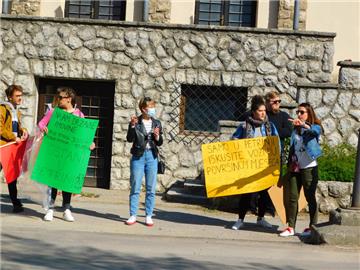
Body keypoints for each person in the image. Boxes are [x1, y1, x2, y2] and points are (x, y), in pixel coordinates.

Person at [38, 87, 95, 222]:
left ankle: (67, 209)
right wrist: (43, 128)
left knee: (67, 180)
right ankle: (50, 209)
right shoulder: (54, 112)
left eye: (61, 97)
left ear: (69, 99)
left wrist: (90, 143)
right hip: (56, 151)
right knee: (53, 180)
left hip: (71, 153)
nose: (58, 99)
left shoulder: (79, 114)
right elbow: (41, 123)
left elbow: (84, 133)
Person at [231, 95, 279, 230]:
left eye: (264, 110)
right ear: (253, 112)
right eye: (260, 110)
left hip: (264, 167)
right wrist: (238, 143)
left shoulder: (270, 126)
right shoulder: (245, 126)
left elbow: (276, 144)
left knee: (264, 193)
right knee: (246, 193)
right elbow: (234, 140)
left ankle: (261, 218)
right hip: (249, 167)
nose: (263, 113)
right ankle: (240, 219)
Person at [279, 103, 322, 237]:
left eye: (302, 112)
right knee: (292, 197)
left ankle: (312, 227)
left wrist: (304, 125)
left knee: (310, 197)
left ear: (309, 114)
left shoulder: (314, 127)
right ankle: (290, 227)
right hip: (295, 167)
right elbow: (293, 147)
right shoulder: (295, 130)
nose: (299, 114)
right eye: (297, 112)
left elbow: (315, 131)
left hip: (309, 168)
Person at [126, 97, 163, 227]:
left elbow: (160, 142)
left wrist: (157, 135)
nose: (153, 109)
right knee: (135, 186)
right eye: (150, 107)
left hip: (151, 156)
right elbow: (129, 139)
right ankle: (133, 215)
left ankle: (148, 215)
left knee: (151, 188)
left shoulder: (157, 123)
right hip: (138, 156)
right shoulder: (136, 121)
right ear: (143, 109)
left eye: (153, 106)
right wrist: (132, 126)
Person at [0, 85, 29, 213]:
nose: (20, 98)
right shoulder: (2, 109)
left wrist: (23, 131)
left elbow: (16, 127)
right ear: (10, 97)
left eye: (21, 95)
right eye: (17, 96)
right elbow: (1, 129)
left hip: (11, 148)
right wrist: (13, 137)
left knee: (12, 177)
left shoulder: (15, 111)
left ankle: (15, 203)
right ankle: (16, 203)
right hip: (2, 147)